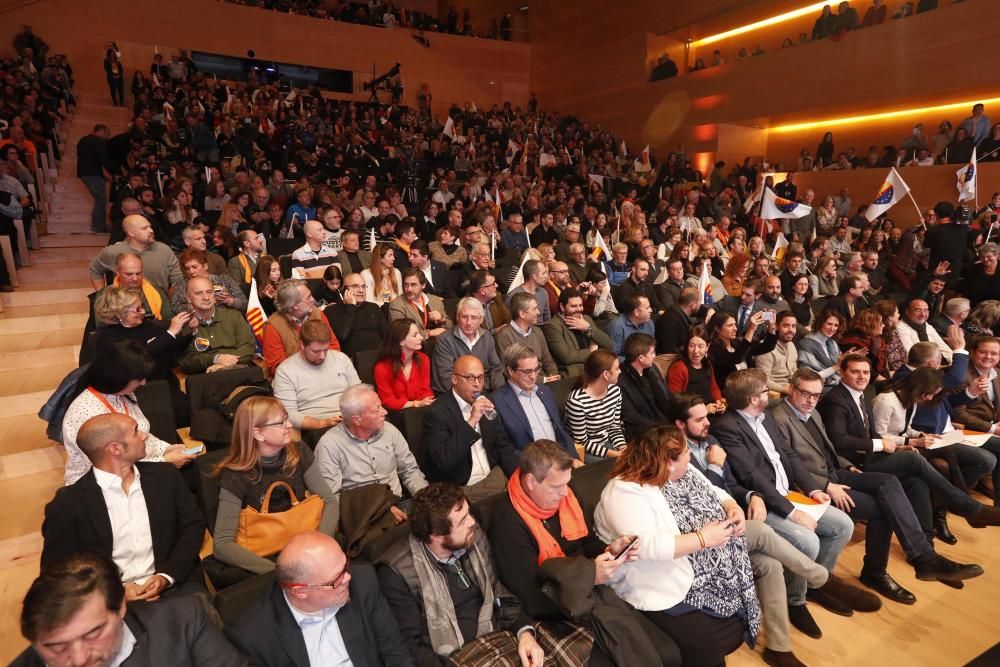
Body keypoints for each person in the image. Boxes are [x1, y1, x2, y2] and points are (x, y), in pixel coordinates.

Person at [773, 369, 982, 600]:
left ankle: (922, 556)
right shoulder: (779, 418)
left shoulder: (812, 412)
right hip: (813, 486)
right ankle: (893, 567)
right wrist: (825, 485)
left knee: (893, 482)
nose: (811, 400)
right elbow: (787, 465)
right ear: (791, 389)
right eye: (805, 393)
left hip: (839, 472)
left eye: (816, 395)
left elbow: (826, 450)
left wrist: (846, 465)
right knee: (884, 505)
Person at [671, 395, 839, 665]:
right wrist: (714, 466)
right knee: (763, 533)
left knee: (770, 564)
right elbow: (700, 498)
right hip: (700, 535)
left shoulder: (710, 442)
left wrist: (752, 495)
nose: (707, 423)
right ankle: (820, 577)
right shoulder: (673, 454)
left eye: (707, 416)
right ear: (680, 424)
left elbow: (732, 485)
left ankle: (778, 647)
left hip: (729, 523)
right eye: (699, 419)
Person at [489, 440, 683, 667]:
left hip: (588, 589)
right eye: (556, 487)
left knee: (668, 653)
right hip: (555, 608)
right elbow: (531, 599)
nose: (564, 493)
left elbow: (587, 542)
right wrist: (589, 576)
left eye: (566, 484)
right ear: (531, 481)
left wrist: (610, 550)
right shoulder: (508, 524)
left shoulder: (566, 497)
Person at [712, 369, 882, 628]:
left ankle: (816, 585)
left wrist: (812, 489)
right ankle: (795, 600)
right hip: (763, 502)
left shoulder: (765, 416)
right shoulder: (727, 426)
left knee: (843, 526)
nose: (768, 393)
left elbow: (789, 455)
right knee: (807, 541)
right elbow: (752, 476)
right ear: (753, 398)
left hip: (789, 492)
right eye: (764, 391)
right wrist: (792, 513)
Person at [593, 424, 761, 666]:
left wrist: (732, 507)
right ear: (668, 462)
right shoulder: (623, 492)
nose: (690, 456)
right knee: (706, 649)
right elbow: (648, 546)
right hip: (651, 580)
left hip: (686, 563)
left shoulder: (677, 473)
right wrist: (703, 539)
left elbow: (713, 489)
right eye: (685, 454)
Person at [818, 354, 1000, 541]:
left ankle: (926, 541)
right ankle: (968, 507)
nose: (862, 376)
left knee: (918, 480)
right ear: (841, 372)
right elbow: (838, 440)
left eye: (865, 372)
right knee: (917, 458)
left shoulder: (860, 394)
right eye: (855, 372)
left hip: (872, 454)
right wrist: (893, 444)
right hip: (852, 462)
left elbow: (879, 433)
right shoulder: (837, 399)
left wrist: (910, 440)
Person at [377, 483, 545, 667]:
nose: (472, 522)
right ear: (437, 536)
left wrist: (525, 633)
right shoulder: (396, 572)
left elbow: (497, 591)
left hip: (496, 635)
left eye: (468, 513)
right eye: (462, 520)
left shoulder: (472, 535)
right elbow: (410, 646)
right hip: (452, 659)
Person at [41, 413, 205, 599]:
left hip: (176, 588)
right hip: (110, 605)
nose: (144, 435)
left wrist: (166, 576)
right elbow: (57, 574)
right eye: (136, 431)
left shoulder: (165, 476)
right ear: (115, 449)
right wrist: (115, 593)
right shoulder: (68, 505)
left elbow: (193, 526)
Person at [12, 553, 244, 667]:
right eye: (57, 647)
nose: (80, 659)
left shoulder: (183, 620)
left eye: (93, 634)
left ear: (121, 606)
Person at [227, 531, 412, 666]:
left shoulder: (364, 582)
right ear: (300, 591)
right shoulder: (252, 636)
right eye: (336, 579)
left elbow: (396, 651)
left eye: (345, 565)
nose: (348, 577)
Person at [212, 396, 338, 574]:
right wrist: (280, 572)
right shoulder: (235, 475)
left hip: (306, 544)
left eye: (286, 418)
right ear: (258, 433)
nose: (288, 425)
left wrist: (320, 546)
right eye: (280, 422)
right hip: (266, 556)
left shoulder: (299, 451)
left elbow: (329, 501)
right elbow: (222, 544)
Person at [61, 340, 192, 486]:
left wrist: (166, 448)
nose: (143, 383)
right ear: (118, 377)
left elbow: (143, 434)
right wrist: (165, 462)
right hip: (104, 488)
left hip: (141, 468)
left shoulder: (121, 394)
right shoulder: (88, 414)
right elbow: (109, 469)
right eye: (138, 378)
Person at [314, 384, 428, 530]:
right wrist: (379, 512)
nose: (385, 412)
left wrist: (425, 498)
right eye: (377, 410)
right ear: (357, 419)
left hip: (399, 502)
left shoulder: (390, 431)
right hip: (363, 516)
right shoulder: (329, 445)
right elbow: (332, 498)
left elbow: (410, 471)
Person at [421, 355, 520, 501]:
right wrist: (472, 421)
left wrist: (518, 477)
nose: (477, 384)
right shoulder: (436, 413)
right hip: (462, 489)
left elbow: (502, 445)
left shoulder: (487, 401)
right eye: (470, 378)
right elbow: (444, 460)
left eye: (480, 378)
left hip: (494, 478)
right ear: (454, 380)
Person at [273, 319, 361, 444]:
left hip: (350, 418)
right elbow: (288, 413)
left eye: (325, 350)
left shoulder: (341, 359)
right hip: (317, 426)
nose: (322, 356)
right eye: (316, 351)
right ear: (302, 345)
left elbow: (358, 393)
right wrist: (322, 423)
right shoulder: (285, 370)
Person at [492, 343, 576, 457]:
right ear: (511, 371)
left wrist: (573, 458)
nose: (533, 376)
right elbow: (504, 449)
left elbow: (561, 428)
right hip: (533, 467)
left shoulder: (545, 391)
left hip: (561, 458)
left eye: (536, 369)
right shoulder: (497, 401)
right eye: (527, 371)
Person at [177, 277, 256, 374]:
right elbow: (186, 361)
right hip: (206, 377)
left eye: (209, 292)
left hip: (238, 370)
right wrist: (216, 359)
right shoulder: (183, 323)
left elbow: (247, 348)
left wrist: (223, 364)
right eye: (199, 293)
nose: (206, 297)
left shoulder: (234, 316)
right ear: (188, 298)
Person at [262, 279, 341, 375]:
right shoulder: (272, 327)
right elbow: (278, 368)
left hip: (325, 370)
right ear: (295, 305)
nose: (313, 299)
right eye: (308, 297)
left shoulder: (317, 314)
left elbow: (334, 346)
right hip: (294, 380)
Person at [90, 215, 184, 294]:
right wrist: (102, 294)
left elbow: (178, 280)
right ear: (131, 233)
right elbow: (95, 270)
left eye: (150, 227)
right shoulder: (113, 251)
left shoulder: (164, 250)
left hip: (159, 306)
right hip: (125, 306)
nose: (151, 230)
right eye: (144, 228)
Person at [432, 297, 505, 394]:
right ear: (457, 317)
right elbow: (446, 379)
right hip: (456, 396)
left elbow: (496, 369)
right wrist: (477, 394)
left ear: (481, 319)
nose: (469, 323)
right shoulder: (444, 340)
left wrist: (500, 393)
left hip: (486, 391)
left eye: (474, 317)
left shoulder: (486, 336)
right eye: (464, 317)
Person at [564, 349, 627, 460]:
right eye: (617, 369)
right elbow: (581, 442)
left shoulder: (615, 391)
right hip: (588, 450)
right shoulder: (577, 402)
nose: (620, 371)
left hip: (608, 443)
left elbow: (615, 427)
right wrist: (614, 454)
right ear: (606, 374)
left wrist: (622, 447)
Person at [616, 332, 674, 442]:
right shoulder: (620, 379)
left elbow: (666, 398)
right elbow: (630, 416)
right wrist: (660, 428)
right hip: (644, 432)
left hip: (663, 424)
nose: (654, 356)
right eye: (652, 353)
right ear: (641, 358)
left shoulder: (652, 370)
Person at [542, 287, 612, 377]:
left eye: (580, 305)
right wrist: (592, 353)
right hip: (573, 372)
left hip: (593, 367)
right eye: (574, 306)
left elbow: (608, 344)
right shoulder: (552, 326)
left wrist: (588, 328)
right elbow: (566, 357)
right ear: (562, 307)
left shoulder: (586, 319)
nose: (579, 309)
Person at [493, 292, 560, 383]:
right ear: (522, 314)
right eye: (535, 309)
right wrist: (543, 380)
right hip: (523, 385)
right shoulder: (503, 336)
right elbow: (509, 371)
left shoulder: (538, 331)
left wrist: (554, 376)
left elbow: (548, 360)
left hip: (546, 382)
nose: (539, 312)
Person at [705, 310, 777, 389]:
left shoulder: (737, 343)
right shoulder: (712, 348)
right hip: (730, 391)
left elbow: (767, 347)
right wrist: (751, 329)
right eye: (730, 325)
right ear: (717, 329)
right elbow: (736, 358)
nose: (735, 328)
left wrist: (772, 326)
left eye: (735, 324)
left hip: (749, 387)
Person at [325, 271, 389, 358]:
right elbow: (343, 335)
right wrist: (351, 306)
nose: (361, 290)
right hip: (352, 360)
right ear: (344, 289)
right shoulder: (332, 310)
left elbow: (387, 336)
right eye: (355, 286)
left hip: (379, 357)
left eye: (363, 286)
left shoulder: (374, 307)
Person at [375, 320, 436, 411]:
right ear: (401, 341)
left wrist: (427, 402)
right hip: (397, 412)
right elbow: (387, 400)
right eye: (415, 335)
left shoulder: (423, 359)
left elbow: (425, 389)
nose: (421, 338)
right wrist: (414, 404)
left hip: (420, 408)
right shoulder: (381, 368)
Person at [172, 249, 247, 313]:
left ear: (205, 266)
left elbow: (245, 304)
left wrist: (230, 301)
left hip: (227, 319)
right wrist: (194, 306)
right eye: (187, 268)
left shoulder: (224, 280)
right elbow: (175, 308)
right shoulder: (182, 285)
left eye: (195, 267)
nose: (191, 271)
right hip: (198, 323)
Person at [667, 331, 726, 411]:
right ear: (686, 347)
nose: (695, 351)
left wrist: (718, 402)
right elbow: (675, 401)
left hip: (712, 409)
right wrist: (704, 410)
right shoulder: (679, 367)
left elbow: (714, 388)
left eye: (700, 346)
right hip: (693, 415)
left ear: (707, 347)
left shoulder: (707, 364)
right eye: (691, 346)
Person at [389, 268, 451, 338]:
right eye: (406, 284)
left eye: (413, 285)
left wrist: (441, 320)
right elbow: (400, 333)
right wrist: (429, 333)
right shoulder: (397, 305)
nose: (409, 289)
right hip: (414, 346)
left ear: (423, 285)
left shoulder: (435, 300)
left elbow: (451, 326)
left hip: (441, 343)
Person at [77, 124, 113, 234]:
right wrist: (114, 172)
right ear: (101, 131)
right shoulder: (97, 141)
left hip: (85, 172)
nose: (107, 137)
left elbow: (91, 159)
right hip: (92, 173)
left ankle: (98, 226)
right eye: (107, 133)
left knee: (100, 199)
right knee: (101, 200)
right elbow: (102, 158)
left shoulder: (83, 140)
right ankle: (98, 226)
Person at [755, 312, 801, 395]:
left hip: (793, 388)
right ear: (776, 326)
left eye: (793, 326)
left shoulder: (791, 345)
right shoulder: (765, 348)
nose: (791, 330)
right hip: (776, 393)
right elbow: (763, 380)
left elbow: (794, 371)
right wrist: (786, 390)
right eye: (786, 326)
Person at [897, 298, 953, 365]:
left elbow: (942, 346)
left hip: (936, 364)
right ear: (907, 312)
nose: (923, 314)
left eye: (926, 310)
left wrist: (953, 361)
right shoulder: (900, 327)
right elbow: (910, 354)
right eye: (918, 310)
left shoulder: (927, 326)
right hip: (921, 368)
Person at [606, 294, 655, 361]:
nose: (651, 310)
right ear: (636, 312)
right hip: (624, 366)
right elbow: (612, 356)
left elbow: (651, 348)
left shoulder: (649, 323)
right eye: (647, 308)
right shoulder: (616, 326)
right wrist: (635, 362)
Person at [655, 287, 702, 353]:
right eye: (699, 303)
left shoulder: (677, 314)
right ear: (693, 306)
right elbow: (668, 351)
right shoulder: (670, 321)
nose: (700, 305)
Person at [506, 259, 552, 324]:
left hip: (542, 331)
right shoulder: (514, 295)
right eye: (543, 273)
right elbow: (510, 322)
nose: (546, 276)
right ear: (534, 276)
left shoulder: (543, 292)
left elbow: (547, 319)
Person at [227, 229, 263, 294]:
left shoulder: (265, 258)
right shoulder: (235, 262)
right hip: (247, 298)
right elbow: (236, 287)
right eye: (256, 238)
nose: (260, 240)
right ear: (247, 243)